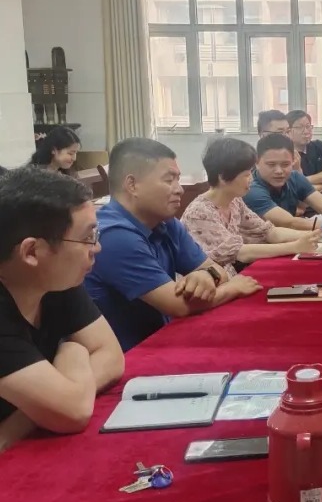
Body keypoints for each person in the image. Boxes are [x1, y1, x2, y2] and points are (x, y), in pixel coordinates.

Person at [84, 138, 260, 351]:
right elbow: (178, 305)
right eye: (169, 180)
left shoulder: (166, 222)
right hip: (128, 357)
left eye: (178, 179)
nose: (179, 190)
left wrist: (206, 275)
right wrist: (233, 287)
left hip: (163, 340)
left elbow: (217, 272)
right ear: (132, 185)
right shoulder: (113, 236)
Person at [0, 168, 124, 452]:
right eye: (88, 237)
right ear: (32, 252)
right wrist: (76, 350)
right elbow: (73, 413)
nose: (97, 248)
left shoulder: (54, 280)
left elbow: (112, 357)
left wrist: (20, 421)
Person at [182, 137, 322, 276]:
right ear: (223, 177)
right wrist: (294, 246)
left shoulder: (235, 202)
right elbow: (241, 253)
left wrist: (312, 236)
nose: (251, 179)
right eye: (246, 174)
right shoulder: (199, 213)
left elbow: (268, 232)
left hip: (230, 278)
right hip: (209, 284)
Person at [243, 133, 322, 231]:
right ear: (257, 162)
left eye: (285, 164)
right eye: (271, 165)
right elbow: (289, 223)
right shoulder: (251, 189)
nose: (279, 171)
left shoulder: (295, 177)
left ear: (293, 161)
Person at [287, 110, 322, 196]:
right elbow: (296, 189)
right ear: (289, 131)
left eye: (308, 126)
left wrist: (303, 181)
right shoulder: (286, 155)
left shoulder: (319, 145)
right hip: (306, 202)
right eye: (300, 127)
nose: (306, 131)